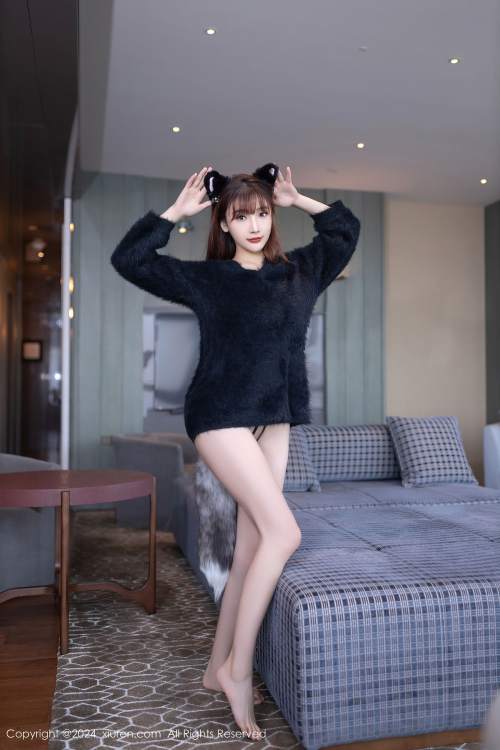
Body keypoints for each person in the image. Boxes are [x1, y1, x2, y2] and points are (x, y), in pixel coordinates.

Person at [110, 164, 361, 740]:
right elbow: (130, 259)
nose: (254, 224)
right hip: (220, 414)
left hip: (276, 418)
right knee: (285, 534)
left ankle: (212, 669)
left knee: (251, 548)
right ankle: (237, 671)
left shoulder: (301, 271)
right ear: (224, 222)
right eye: (241, 215)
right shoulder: (209, 279)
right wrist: (175, 214)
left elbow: (345, 231)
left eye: (263, 213)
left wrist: (299, 199)